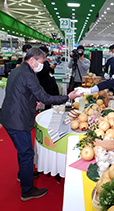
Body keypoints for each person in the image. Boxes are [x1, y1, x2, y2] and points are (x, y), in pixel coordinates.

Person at [0, 48, 80, 201]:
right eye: (42, 62)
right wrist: (67, 97)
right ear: (33, 60)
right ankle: (27, 190)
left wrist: (31, 101)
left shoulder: (17, 70)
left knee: (22, 151)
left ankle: (23, 174)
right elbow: (46, 98)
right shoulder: (29, 75)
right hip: (18, 121)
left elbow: (18, 93)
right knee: (27, 154)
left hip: (8, 117)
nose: (42, 65)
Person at [36, 45, 59, 110]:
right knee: (46, 101)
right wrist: (49, 68)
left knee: (51, 99)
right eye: (45, 53)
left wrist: (52, 68)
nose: (46, 54)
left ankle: (51, 110)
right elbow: (40, 73)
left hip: (50, 83)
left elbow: (51, 72)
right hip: (43, 84)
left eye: (46, 53)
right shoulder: (37, 63)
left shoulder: (45, 62)